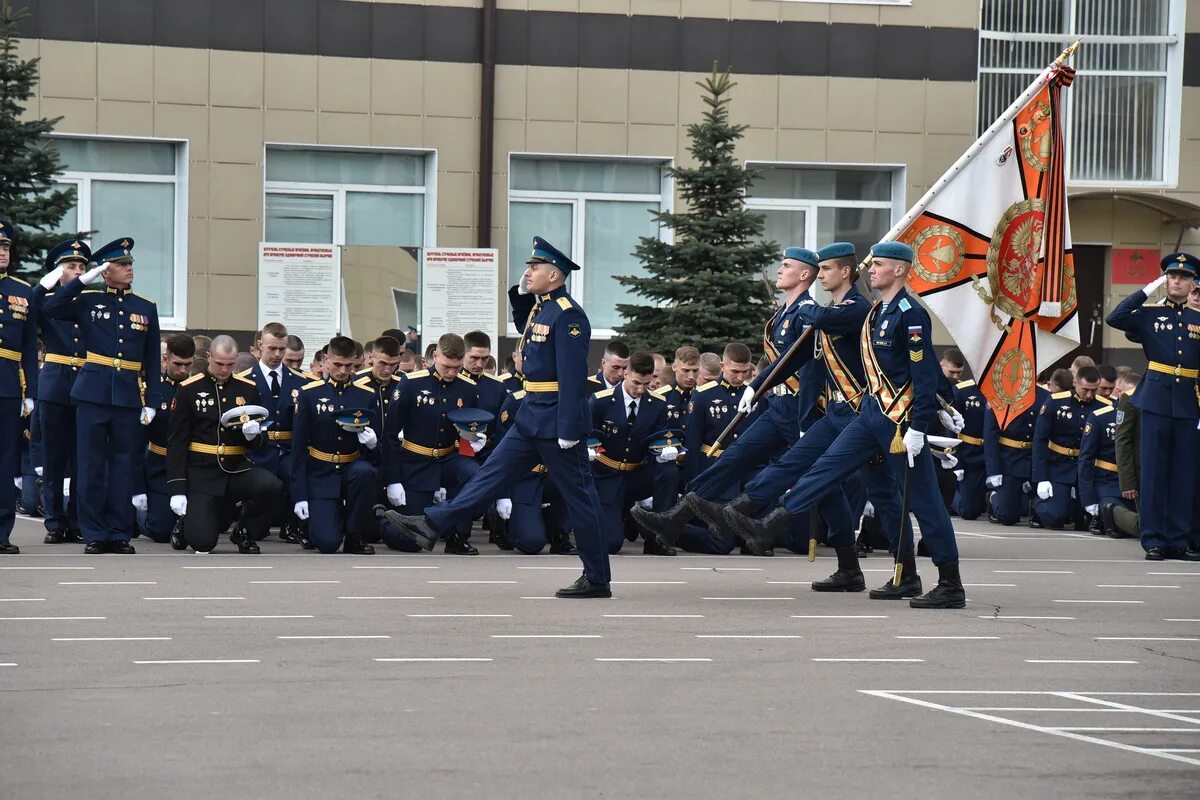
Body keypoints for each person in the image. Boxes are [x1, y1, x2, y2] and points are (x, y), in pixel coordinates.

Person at [717, 241, 966, 608]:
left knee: (924, 500)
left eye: (879, 264)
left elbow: (924, 374)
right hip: (869, 415)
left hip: (898, 423)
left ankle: (950, 582)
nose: (873, 270)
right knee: (823, 468)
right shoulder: (876, 313)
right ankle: (770, 524)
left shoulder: (910, 314)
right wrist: (758, 383)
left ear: (899, 269)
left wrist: (920, 424)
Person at [385, 237, 612, 598]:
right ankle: (430, 524)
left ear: (554, 274)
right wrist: (521, 294)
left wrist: (569, 427)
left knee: (581, 498)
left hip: (555, 421)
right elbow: (530, 336)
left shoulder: (569, 315)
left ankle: (597, 577)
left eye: (534, 267)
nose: (528, 271)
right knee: (488, 477)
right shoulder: (543, 309)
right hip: (532, 416)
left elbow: (571, 375)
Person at [635, 248, 819, 543]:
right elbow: (777, 364)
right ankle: (676, 518)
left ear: (805, 274)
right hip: (777, 405)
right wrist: (754, 387)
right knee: (732, 457)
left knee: (821, 480)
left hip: (797, 408)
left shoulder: (808, 313)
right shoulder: (783, 314)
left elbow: (810, 369)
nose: (779, 270)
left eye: (786, 265)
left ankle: (846, 557)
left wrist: (807, 414)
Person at [41, 238, 159, 554]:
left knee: (123, 467)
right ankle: (93, 532)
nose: (129, 268)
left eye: (130, 263)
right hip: (92, 394)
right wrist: (81, 280)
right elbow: (50, 307)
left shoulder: (145, 307)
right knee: (90, 466)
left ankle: (119, 532)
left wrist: (151, 402)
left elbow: (151, 361)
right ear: (106, 272)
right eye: (122, 265)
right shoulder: (89, 300)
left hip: (127, 397)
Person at [1105, 252, 1200, 561]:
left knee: (1183, 475)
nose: (1177, 281)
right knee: (1155, 472)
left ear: (1192, 285)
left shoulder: (1197, 319)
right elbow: (1115, 317)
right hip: (1157, 399)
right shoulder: (1149, 314)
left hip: (1188, 402)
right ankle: (1154, 539)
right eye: (1172, 276)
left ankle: (1178, 539)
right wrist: (1147, 289)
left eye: (1183, 278)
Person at [166, 336, 283, 553]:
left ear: (236, 360)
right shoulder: (188, 390)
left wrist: (253, 436)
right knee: (203, 543)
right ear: (209, 357)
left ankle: (245, 530)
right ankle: (186, 524)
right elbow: (176, 443)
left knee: (273, 487)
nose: (224, 369)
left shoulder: (247, 389)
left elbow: (260, 441)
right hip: (203, 472)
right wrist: (177, 488)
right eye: (219, 363)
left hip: (236, 468)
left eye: (230, 364)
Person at [379, 333, 484, 555]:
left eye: (457, 367)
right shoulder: (411, 383)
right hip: (417, 463)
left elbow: (466, 429)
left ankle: (457, 536)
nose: (452, 373)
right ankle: (383, 520)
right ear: (435, 356)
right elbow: (390, 434)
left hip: (449, 459)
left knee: (475, 475)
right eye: (447, 366)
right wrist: (393, 480)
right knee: (413, 542)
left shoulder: (468, 388)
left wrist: (472, 443)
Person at [290, 336, 380, 555]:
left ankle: (353, 535)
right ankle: (321, 520)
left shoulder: (365, 395)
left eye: (349, 366)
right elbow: (299, 447)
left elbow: (374, 447)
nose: (342, 371)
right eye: (338, 364)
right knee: (327, 544)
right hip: (321, 471)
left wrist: (372, 444)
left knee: (366, 472)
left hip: (351, 468)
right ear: (326, 360)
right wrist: (299, 495)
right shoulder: (309, 394)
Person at [588, 351, 676, 554]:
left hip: (636, 473)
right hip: (607, 475)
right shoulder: (600, 401)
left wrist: (663, 452)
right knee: (611, 545)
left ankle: (657, 539)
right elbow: (589, 438)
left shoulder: (657, 403)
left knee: (668, 471)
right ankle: (627, 517)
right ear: (626, 373)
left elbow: (658, 440)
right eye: (637, 383)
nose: (641, 389)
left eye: (646, 384)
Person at [32, 238, 89, 546]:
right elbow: (29, 306)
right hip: (56, 382)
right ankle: (55, 521)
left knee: (83, 458)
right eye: (71, 266)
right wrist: (45, 285)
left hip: (85, 383)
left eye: (82, 267)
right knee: (55, 458)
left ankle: (77, 520)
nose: (78, 271)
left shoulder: (89, 301)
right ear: (58, 272)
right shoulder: (48, 301)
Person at [0, 221, 39, 554]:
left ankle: (1, 532)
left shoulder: (23, 291)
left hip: (9, 385)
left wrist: (31, 394)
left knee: (6, 461)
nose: (2, 252)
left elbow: (29, 348)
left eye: (6, 247)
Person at [134, 333, 194, 545]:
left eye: (188, 364)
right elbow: (137, 442)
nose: (183, 370)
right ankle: (137, 517)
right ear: (165, 359)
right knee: (160, 531)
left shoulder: (197, 388)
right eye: (178, 364)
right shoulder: (152, 390)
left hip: (191, 466)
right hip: (160, 466)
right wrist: (137, 487)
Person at [1032, 366, 1105, 530]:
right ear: (1075, 383)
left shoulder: (1103, 406)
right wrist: (1041, 478)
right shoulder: (1056, 401)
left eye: (1094, 390)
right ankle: (1036, 504)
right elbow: (1040, 440)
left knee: (1085, 522)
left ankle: (1071, 506)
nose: (1089, 395)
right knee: (1054, 518)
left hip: (1086, 470)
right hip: (1058, 466)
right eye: (1085, 390)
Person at [1108, 370, 1142, 538]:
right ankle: (1114, 513)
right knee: (1148, 529)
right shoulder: (1130, 399)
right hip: (1140, 470)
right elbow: (1123, 441)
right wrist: (1128, 481)